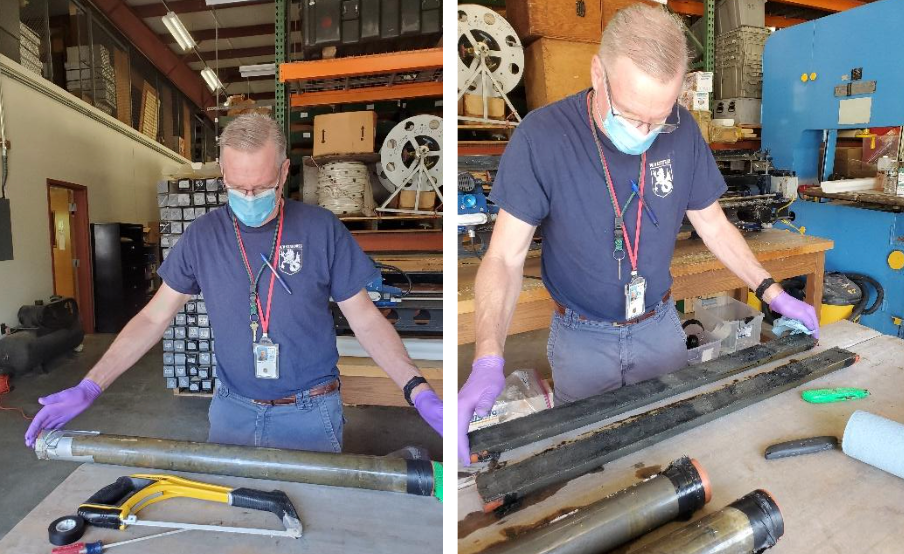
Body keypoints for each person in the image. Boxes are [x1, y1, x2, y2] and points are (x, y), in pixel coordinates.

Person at [457, 5, 817, 464]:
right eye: (630, 114)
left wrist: (771, 291)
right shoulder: (541, 137)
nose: (645, 132)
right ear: (597, 73)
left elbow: (714, 224)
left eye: (659, 118)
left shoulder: (683, 130)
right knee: (588, 463)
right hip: (581, 335)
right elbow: (504, 258)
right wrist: (489, 357)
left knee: (669, 451)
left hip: (659, 328)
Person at [25, 113, 442, 451]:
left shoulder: (322, 230)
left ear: (283, 172)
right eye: (236, 187)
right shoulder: (203, 235)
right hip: (231, 413)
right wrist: (90, 385)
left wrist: (416, 387)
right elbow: (154, 319)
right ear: (222, 174)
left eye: (260, 186)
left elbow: (366, 320)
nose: (248, 197)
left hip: (309, 413)